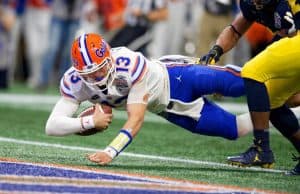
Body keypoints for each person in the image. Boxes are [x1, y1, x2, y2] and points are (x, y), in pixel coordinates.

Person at [45, 33, 259, 165]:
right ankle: (288, 114)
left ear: (109, 58)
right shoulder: (74, 81)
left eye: (100, 70)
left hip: (179, 77)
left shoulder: (129, 64)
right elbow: (52, 126)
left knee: (249, 83)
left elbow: (136, 118)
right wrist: (90, 122)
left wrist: (110, 151)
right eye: (89, 75)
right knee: (235, 130)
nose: (96, 78)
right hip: (168, 108)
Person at [200, 0, 300, 175]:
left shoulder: (287, 4)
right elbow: (235, 29)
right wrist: (216, 50)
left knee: (253, 71)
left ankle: (262, 150)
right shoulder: (252, 4)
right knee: (270, 98)